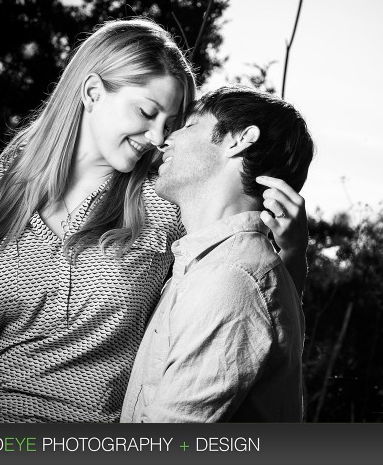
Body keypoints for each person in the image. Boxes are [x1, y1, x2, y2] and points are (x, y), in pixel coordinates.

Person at [0, 19, 308, 423]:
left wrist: (291, 255)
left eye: (173, 124)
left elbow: (244, 302)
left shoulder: (167, 201)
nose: (158, 137)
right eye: (147, 112)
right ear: (92, 92)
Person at [121, 86, 312, 422]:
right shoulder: (214, 269)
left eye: (190, 125)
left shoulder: (229, 281)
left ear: (238, 140)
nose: (166, 139)